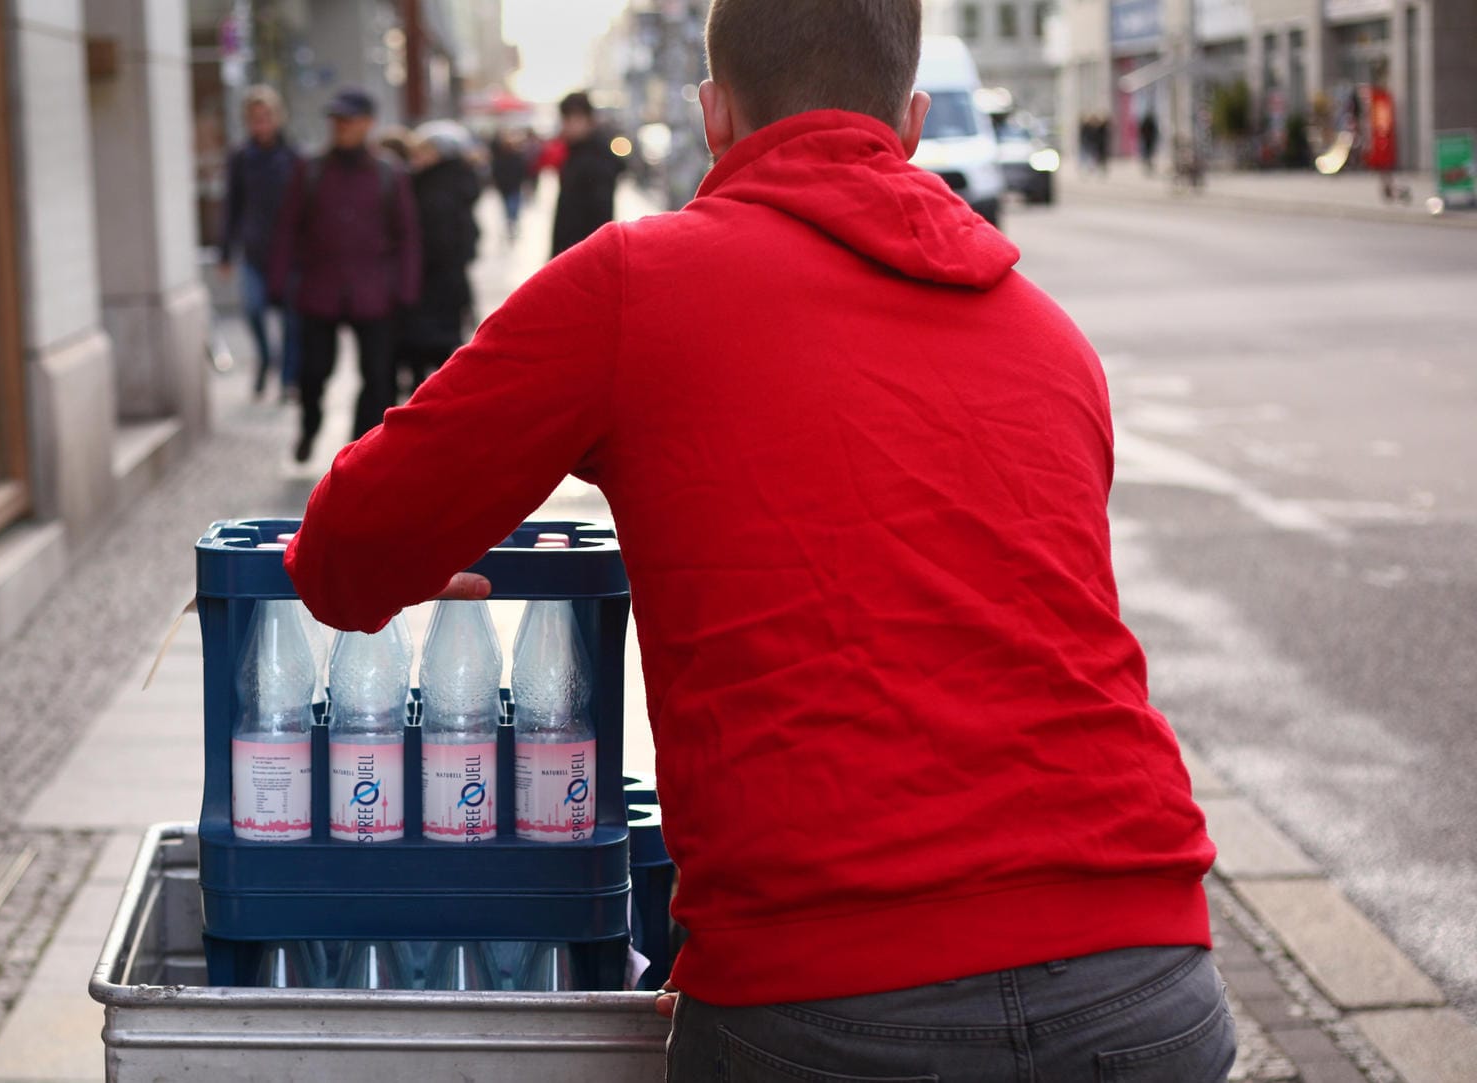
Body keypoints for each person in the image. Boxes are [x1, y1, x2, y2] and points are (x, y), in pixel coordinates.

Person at [282, 0, 1231, 1078]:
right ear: (910, 121)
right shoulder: (1048, 334)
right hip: (1147, 974)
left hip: (830, 995)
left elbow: (346, 554)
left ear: (714, 111)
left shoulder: (637, 286)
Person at [266, 87, 420, 464]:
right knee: (313, 371)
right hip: (320, 289)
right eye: (336, 121)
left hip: (374, 293)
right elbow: (288, 227)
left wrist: (407, 289)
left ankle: (361, 451)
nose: (342, 128)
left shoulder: (389, 173)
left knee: (378, 376)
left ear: (368, 123)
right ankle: (310, 425)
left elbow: (408, 235)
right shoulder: (311, 170)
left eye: (349, 121)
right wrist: (278, 280)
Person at [222, 86, 302, 400]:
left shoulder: (294, 156)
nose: (262, 124)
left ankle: (287, 379)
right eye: (255, 118)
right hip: (254, 250)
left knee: (291, 321)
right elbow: (232, 205)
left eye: (267, 117)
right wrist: (226, 250)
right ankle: (266, 358)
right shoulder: (241, 157)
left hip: (290, 253)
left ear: (277, 118)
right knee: (253, 310)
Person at [399, 125, 481, 391]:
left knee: (429, 351)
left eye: (424, 152)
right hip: (446, 283)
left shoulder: (435, 187)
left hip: (434, 283)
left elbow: (441, 239)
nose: (417, 158)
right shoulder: (450, 183)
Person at [550, 90, 627, 257]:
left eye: (574, 119)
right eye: (565, 119)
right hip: (571, 253)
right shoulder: (575, 153)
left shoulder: (596, 160)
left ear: (589, 121)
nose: (568, 126)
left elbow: (601, 216)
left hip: (583, 256)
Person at [490, 129, 530, 240]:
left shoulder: (516, 157)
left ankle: (512, 222)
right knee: (509, 206)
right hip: (506, 187)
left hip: (513, 186)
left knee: (513, 206)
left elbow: (521, 171)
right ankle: (511, 222)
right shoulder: (500, 158)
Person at [1139, 110, 1160, 175]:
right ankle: (1148, 161)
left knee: (1148, 151)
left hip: (1148, 139)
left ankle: (1148, 161)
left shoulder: (1148, 122)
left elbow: (1142, 130)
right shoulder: (1149, 122)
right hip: (1149, 139)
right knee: (1148, 151)